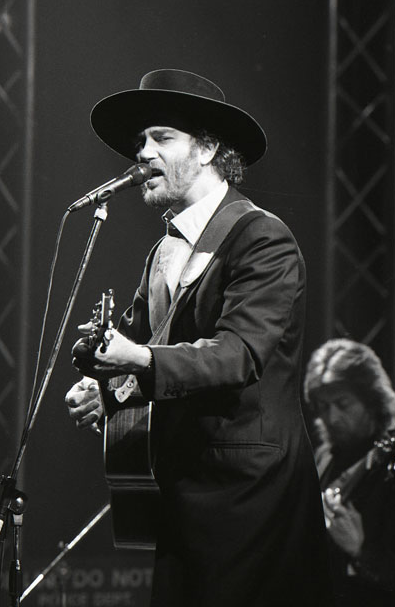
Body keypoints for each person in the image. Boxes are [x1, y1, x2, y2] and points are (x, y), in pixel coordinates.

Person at [65, 69, 332, 607]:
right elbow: (145, 348)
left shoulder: (261, 237)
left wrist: (136, 357)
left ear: (208, 148)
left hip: (249, 496)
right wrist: (107, 387)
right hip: (182, 491)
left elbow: (238, 354)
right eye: (140, 141)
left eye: (162, 137)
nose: (142, 153)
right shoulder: (164, 249)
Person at [304, 338, 395, 607]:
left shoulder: (392, 461)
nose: (332, 418)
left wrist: (360, 550)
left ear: (372, 401)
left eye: (342, 404)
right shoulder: (324, 456)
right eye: (323, 407)